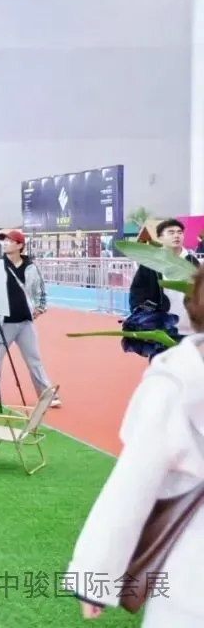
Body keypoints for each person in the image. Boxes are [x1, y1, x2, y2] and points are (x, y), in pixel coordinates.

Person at [67, 266, 204, 626]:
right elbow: (134, 482)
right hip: (191, 580)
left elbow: (133, 482)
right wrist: (95, 575)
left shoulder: (176, 378)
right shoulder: (176, 382)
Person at [0, 230, 60, 407]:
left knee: (34, 359)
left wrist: (40, 307)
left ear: (20, 245)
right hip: (3, 321)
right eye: (4, 241)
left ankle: (47, 394)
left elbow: (40, 289)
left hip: (25, 321)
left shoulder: (31, 267)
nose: (5, 244)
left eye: (9, 241)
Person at [129, 218, 200, 342]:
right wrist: (144, 319)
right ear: (160, 238)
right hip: (162, 330)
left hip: (191, 331)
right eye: (171, 232)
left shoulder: (193, 262)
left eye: (179, 232)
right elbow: (138, 292)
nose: (176, 235)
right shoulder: (150, 263)